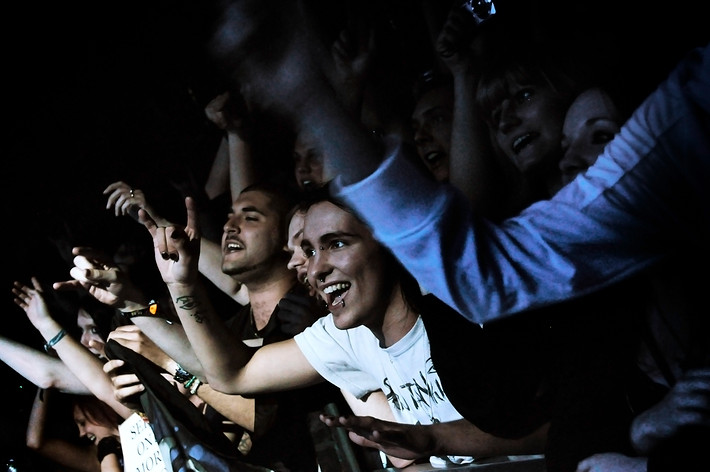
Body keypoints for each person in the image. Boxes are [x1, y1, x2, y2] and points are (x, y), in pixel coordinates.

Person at [103, 187, 553, 468]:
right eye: (309, 251)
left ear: (389, 243)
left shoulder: (459, 304)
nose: (315, 269)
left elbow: (561, 425)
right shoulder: (345, 336)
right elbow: (232, 375)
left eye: (336, 244)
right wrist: (179, 285)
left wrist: (434, 439)